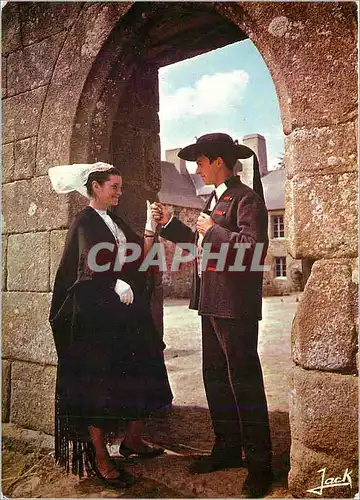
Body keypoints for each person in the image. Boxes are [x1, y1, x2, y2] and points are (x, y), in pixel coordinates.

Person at [151, 133, 273, 498]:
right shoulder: (213, 199)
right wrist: (171, 224)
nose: (197, 169)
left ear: (219, 161)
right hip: (210, 302)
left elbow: (253, 250)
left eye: (201, 162)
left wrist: (214, 230)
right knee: (215, 378)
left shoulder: (246, 199)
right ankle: (226, 448)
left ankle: (259, 464)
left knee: (244, 381)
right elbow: (200, 243)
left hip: (235, 306)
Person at [48, 162, 173, 488]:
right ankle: (100, 456)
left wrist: (149, 227)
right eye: (113, 186)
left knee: (143, 367)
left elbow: (140, 259)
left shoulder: (113, 221)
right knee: (100, 384)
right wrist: (113, 283)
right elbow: (86, 268)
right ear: (95, 187)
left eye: (120, 186)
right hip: (96, 317)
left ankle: (133, 440)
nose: (119, 192)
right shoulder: (84, 221)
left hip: (124, 315)